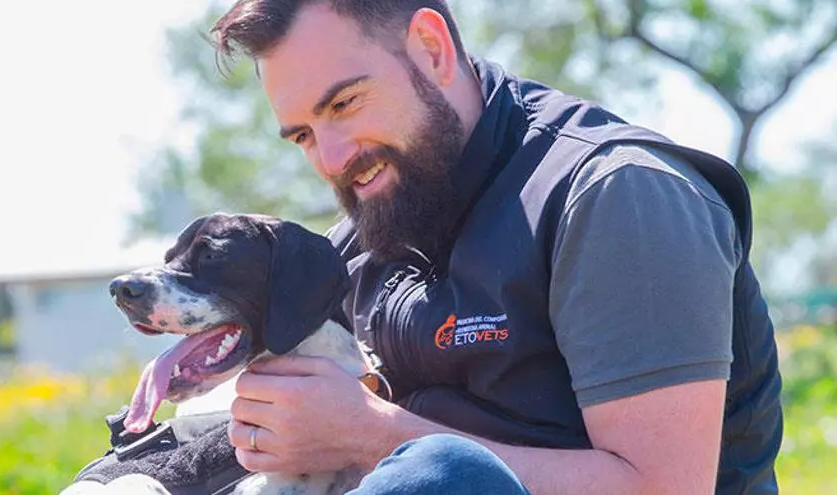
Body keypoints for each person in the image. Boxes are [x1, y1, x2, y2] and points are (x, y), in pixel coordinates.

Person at [211, 1, 783, 494]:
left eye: (344, 104)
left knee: (445, 473)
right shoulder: (351, 248)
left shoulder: (615, 195)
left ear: (431, 49)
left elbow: (661, 488)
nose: (333, 159)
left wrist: (368, 433)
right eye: (304, 136)